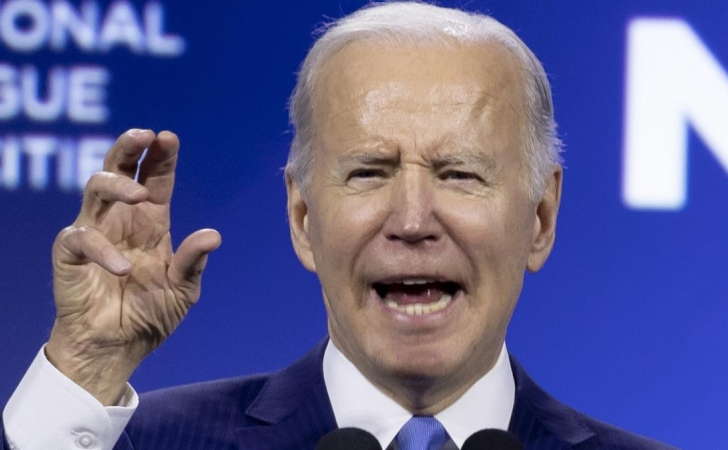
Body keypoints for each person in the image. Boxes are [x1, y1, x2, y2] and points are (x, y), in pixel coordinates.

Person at [2, 2, 676, 449]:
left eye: (460, 174)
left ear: (540, 218)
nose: (412, 221)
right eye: (368, 172)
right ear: (301, 218)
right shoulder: (142, 441)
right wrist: (86, 369)